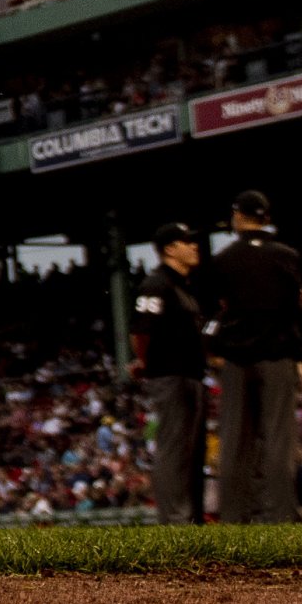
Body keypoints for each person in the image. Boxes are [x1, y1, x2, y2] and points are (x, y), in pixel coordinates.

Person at [197, 189, 302, 523]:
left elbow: (211, 309)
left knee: (234, 441)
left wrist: (214, 351)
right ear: (266, 218)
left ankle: (235, 517)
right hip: (279, 354)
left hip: (237, 358)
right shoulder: (286, 255)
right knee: (278, 440)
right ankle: (281, 516)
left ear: (239, 216)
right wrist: (299, 356)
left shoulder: (224, 258)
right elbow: (297, 306)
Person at [129, 222, 209, 524]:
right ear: (170, 249)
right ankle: (174, 518)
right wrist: (145, 363)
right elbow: (140, 331)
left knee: (192, 450)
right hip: (170, 375)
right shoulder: (156, 283)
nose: (194, 247)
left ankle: (192, 518)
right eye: (187, 242)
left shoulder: (183, 286)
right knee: (175, 447)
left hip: (191, 374)